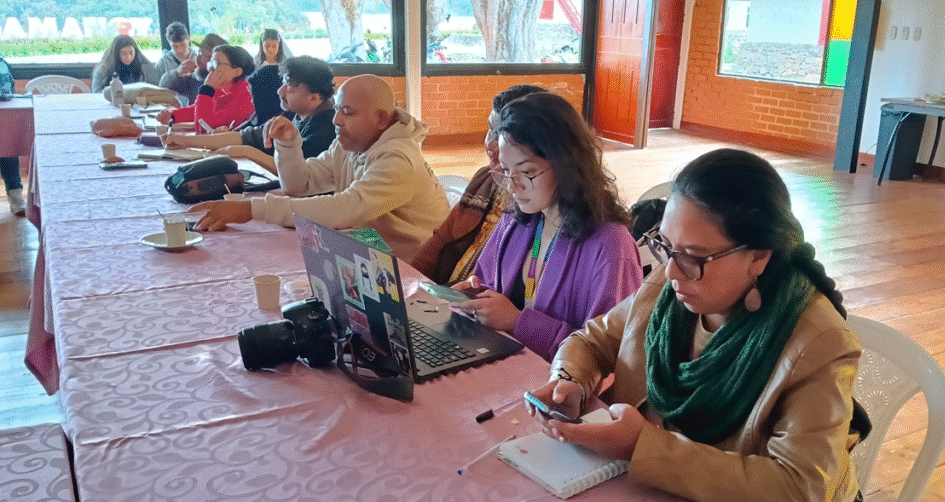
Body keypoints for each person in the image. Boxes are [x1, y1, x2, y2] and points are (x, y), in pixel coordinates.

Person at [527, 148, 871, 502]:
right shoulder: (670, 285)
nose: (671, 271)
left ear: (758, 257)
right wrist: (570, 381)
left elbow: (799, 496)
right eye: (666, 246)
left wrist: (642, 447)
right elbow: (593, 339)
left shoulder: (817, 341)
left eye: (695, 256)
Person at [448, 92, 643, 361]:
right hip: (505, 363)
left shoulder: (610, 244)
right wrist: (474, 297)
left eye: (527, 172)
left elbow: (610, 353)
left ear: (566, 164)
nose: (513, 186)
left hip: (558, 388)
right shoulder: (518, 219)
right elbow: (489, 283)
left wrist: (519, 323)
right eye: (505, 171)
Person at [189, 74, 449, 262]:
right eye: (337, 109)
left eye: (347, 112)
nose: (336, 120)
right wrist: (289, 146)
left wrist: (252, 209)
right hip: (374, 251)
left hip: (416, 271)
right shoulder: (351, 144)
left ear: (380, 119)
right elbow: (299, 185)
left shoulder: (399, 159)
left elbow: (346, 208)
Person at [411, 84, 547, 285]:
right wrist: (411, 284)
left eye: (503, 136)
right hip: (448, 296)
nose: (492, 145)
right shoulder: (485, 179)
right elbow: (440, 241)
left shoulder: (538, 203)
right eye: (491, 130)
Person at [161, 56, 336, 174]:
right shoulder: (294, 115)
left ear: (315, 97)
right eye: (283, 83)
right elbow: (245, 137)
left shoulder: (325, 127)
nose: (280, 91)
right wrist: (185, 140)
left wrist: (247, 151)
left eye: (290, 88)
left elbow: (296, 173)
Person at [156, 44, 255, 133]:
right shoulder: (222, 89)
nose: (210, 69)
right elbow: (196, 110)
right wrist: (173, 116)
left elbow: (203, 126)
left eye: (216, 64)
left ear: (237, 71)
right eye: (210, 64)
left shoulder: (247, 97)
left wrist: (206, 89)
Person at [159, 33, 227, 105]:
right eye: (199, 52)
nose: (198, 57)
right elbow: (162, 88)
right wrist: (177, 73)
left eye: (205, 55)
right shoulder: (193, 78)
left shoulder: (223, 86)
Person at [91, 35, 159, 92]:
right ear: (116, 54)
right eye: (124, 53)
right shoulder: (103, 68)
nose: (128, 57)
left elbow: (157, 90)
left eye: (131, 53)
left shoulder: (145, 67)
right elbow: (96, 92)